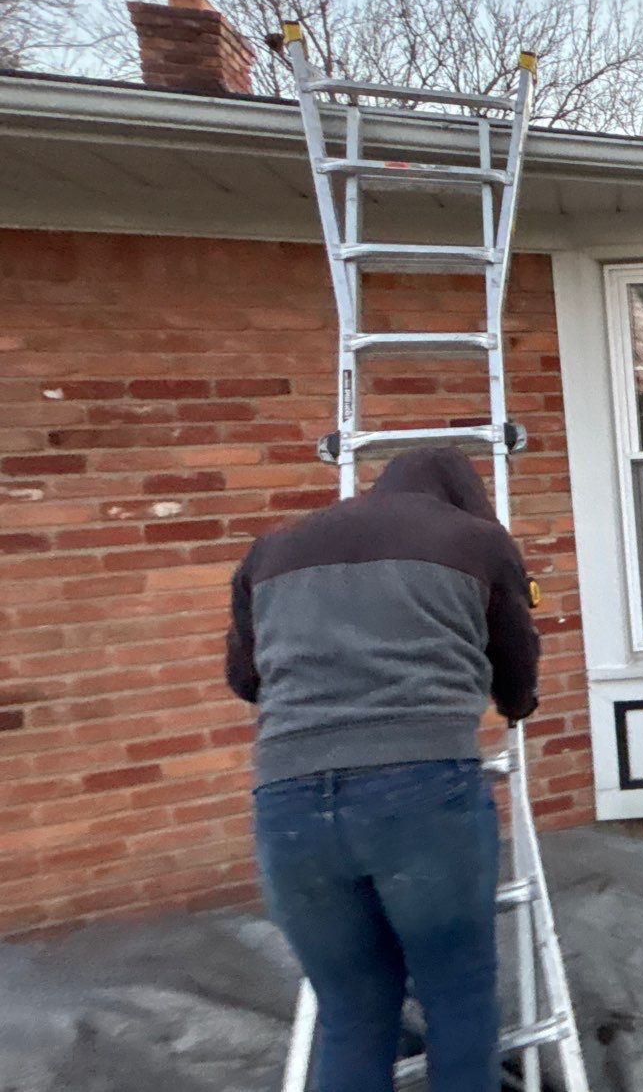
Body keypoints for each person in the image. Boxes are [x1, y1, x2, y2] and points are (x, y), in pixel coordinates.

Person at [226, 447, 538, 1092]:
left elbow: (245, 678)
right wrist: (512, 702)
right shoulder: (479, 541)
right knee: (458, 1000)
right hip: (422, 794)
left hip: (289, 802)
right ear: (460, 498)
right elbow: (516, 673)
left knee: (352, 1013)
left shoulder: (274, 548)